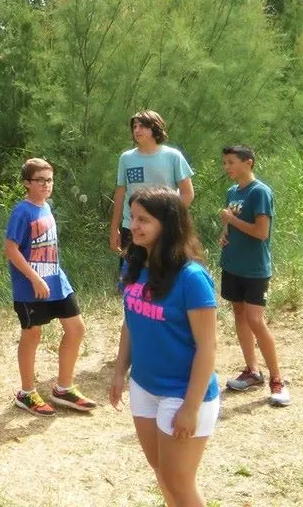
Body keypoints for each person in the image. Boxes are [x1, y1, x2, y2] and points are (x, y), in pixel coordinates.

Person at [109, 188, 219, 507]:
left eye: (144, 219)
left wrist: (190, 406)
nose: (135, 226)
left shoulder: (192, 277)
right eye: (133, 218)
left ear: (167, 224)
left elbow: (208, 347)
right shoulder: (134, 263)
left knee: (179, 481)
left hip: (181, 393)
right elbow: (130, 322)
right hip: (143, 388)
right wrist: (119, 373)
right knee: (162, 474)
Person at [5, 158, 96, 417]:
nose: (46, 185)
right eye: (40, 180)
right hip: (30, 286)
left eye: (50, 180)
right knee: (32, 335)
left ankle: (63, 388)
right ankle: (26, 393)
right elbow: (10, 249)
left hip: (56, 281)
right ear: (27, 183)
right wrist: (34, 278)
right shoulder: (22, 211)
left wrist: (50, 276)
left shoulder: (45, 207)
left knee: (76, 328)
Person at [219, 145, 291, 406]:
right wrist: (225, 233)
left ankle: (277, 380)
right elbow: (231, 224)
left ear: (248, 162)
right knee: (239, 316)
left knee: (255, 321)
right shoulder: (232, 192)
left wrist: (231, 220)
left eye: (231, 162)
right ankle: (252, 371)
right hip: (232, 266)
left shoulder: (260, 192)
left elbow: (261, 232)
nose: (227, 167)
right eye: (224, 163)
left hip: (254, 270)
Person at [109, 110, 194, 266]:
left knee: (163, 276)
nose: (137, 130)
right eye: (135, 126)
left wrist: (170, 220)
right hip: (132, 227)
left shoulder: (173, 156)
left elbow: (187, 193)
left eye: (142, 126)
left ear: (155, 129)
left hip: (164, 228)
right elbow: (120, 194)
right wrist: (114, 228)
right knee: (131, 279)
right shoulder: (126, 158)